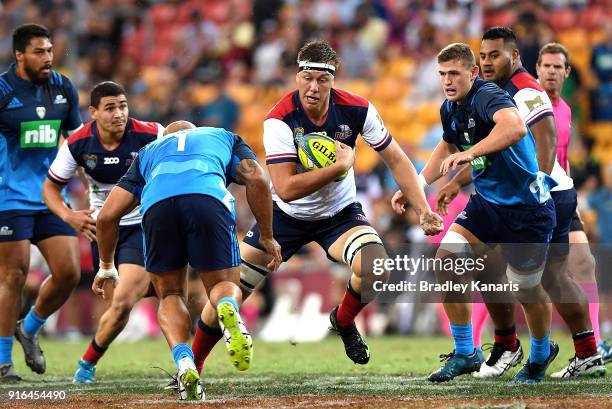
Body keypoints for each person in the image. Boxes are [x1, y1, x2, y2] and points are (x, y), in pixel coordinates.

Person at [190, 39, 443, 375]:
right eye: (307, 77)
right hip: (285, 216)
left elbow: (396, 158)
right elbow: (285, 188)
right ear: (297, 77)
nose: (313, 87)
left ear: (332, 81)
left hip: (339, 215)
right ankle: (191, 366)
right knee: (230, 291)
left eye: (322, 80)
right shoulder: (279, 119)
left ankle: (343, 319)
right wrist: (338, 168)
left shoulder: (358, 109)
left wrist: (422, 207)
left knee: (377, 268)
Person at [437, 30, 605, 379]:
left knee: (529, 278)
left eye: (494, 55)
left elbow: (545, 133)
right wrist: (455, 182)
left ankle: (517, 346)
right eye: (482, 55)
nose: (485, 62)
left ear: (514, 56)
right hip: (523, 192)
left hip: (541, 194)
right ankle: (538, 347)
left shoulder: (523, 88)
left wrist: (541, 178)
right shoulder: (486, 94)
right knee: (498, 269)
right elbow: (496, 156)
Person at [393, 42, 558, 384]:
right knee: (447, 259)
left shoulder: (488, 96)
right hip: (487, 205)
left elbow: (514, 128)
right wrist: (417, 185)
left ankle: (541, 353)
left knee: (526, 289)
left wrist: (472, 154)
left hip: (527, 208)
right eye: (442, 74)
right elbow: (448, 146)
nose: (447, 81)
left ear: (471, 73)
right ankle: (467, 352)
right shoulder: (450, 107)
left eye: (454, 73)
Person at [92, 121, 282, 401]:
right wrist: (267, 236)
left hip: (157, 204)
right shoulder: (222, 136)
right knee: (222, 285)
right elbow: (257, 178)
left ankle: (184, 363)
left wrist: (106, 266)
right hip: (207, 197)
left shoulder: (149, 151)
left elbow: (107, 217)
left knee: (168, 293)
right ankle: (227, 307)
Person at [42, 81, 164, 384]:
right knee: (117, 309)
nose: (119, 113)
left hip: (140, 225)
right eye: (110, 108)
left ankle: (87, 363)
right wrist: (69, 216)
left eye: (122, 105)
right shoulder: (79, 143)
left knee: (122, 300)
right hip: (103, 230)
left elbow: (178, 146)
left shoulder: (151, 134)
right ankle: (88, 362)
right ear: (93, 112)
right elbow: (50, 188)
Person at [0, 23, 83, 381]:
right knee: (13, 274)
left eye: (49, 50)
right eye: (38, 52)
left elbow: (76, 143)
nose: (47, 57)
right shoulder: (2, 91)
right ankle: (3, 363)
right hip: (9, 197)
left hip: (51, 196)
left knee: (68, 274)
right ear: (19, 55)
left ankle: (29, 328)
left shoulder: (63, 88)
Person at [536, 42, 611, 367]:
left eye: (558, 67)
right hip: (530, 202)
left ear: (567, 73)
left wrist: (574, 201)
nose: (552, 72)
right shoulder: (523, 106)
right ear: (537, 68)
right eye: (546, 65)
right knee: (522, 276)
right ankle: (499, 345)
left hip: (560, 198)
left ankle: (591, 346)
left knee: (584, 264)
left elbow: (561, 162)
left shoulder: (565, 110)